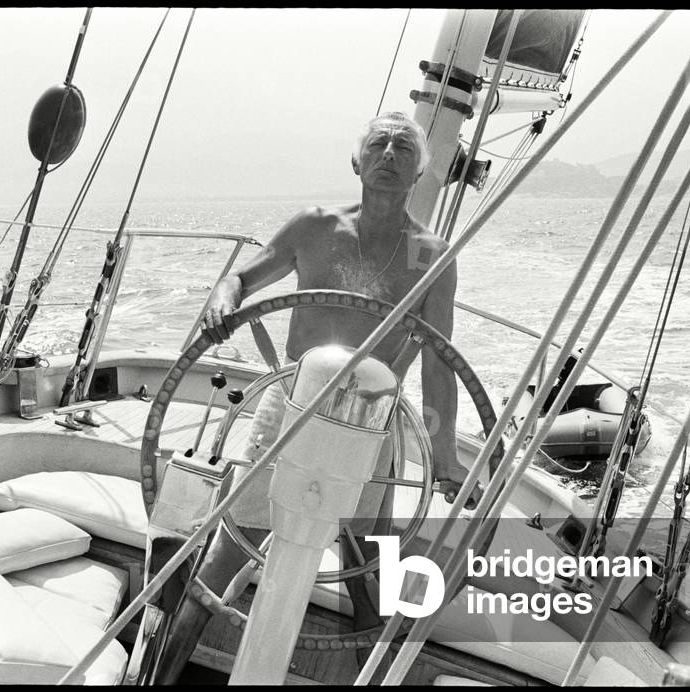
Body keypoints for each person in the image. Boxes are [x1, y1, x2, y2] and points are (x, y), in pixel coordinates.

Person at [154, 112, 480, 682]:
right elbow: (242, 281)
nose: (388, 155)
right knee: (226, 555)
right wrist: (221, 301)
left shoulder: (430, 256)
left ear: (420, 172)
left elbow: (438, 360)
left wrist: (444, 455)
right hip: (290, 407)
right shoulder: (315, 227)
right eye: (378, 145)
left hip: (372, 424)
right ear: (357, 162)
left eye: (404, 148)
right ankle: (157, 678)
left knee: (369, 579)